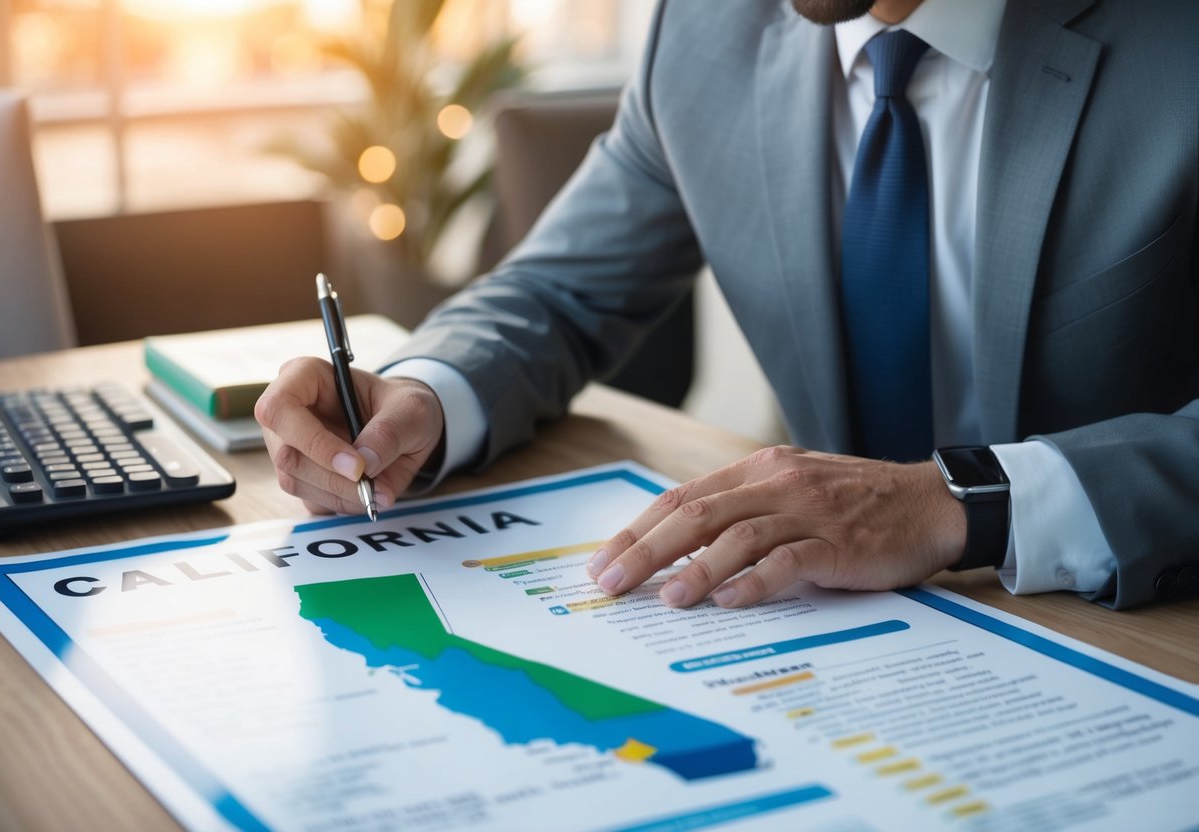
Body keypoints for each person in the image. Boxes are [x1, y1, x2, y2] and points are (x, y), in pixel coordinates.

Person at [256, 0, 1198, 611]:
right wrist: (425, 396)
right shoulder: (706, 32)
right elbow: (558, 287)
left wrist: (962, 503)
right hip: (842, 643)